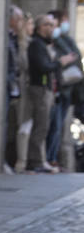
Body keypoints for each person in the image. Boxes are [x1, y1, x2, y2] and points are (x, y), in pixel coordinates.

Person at [26, 13, 77, 173]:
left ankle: (42, 160)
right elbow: (43, 66)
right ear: (41, 27)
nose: (52, 27)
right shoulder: (36, 45)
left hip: (47, 89)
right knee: (41, 126)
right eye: (48, 24)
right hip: (40, 89)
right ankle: (35, 161)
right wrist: (60, 62)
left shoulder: (44, 44)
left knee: (46, 126)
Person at [47, 9, 81, 170]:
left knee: (58, 125)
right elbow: (63, 58)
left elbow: (75, 55)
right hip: (57, 87)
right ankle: (49, 158)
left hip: (69, 88)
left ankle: (52, 157)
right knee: (53, 124)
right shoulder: (52, 41)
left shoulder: (64, 38)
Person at [5, 5, 26, 173]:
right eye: (19, 19)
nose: (21, 23)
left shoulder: (15, 38)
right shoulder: (7, 38)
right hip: (8, 85)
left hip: (12, 86)